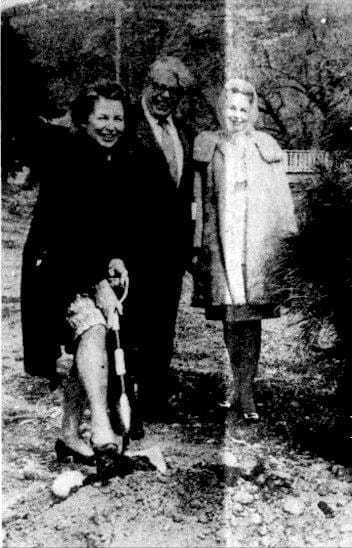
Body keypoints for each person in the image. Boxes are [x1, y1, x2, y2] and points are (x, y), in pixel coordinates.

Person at [28, 80, 142, 473]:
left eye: (118, 118)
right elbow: (68, 232)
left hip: (84, 265)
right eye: (103, 117)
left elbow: (103, 227)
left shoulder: (110, 161)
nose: (112, 125)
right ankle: (102, 431)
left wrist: (114, 258)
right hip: (55, 268)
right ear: (85, 120)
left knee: (88, 343)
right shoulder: (69, 157)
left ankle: (69, 433)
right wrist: (98, 284)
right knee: (93, 327)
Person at [193, 78, 297, 423]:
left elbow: (281, 202)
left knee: (250, 319)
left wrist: (286, 242)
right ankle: (237, 386)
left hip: (254, 244)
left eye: (242, 109)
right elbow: (201, 201)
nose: (236, 115)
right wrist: (198, 245)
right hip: (223, 240)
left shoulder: (265, 147)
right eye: (230, 108)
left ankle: (247, 390)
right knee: (229, 315)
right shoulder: (209, 146)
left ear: (252, 111)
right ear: (221, 109)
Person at [124, 56, 197, 435]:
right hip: (132, 248)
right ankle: (125, 405)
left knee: (162, 324)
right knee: (129, 326)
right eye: (159, 89)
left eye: (174, 92)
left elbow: (185, 195)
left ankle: (154, 397)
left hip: (170, 251)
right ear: (146, 85)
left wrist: (189, 248)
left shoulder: (182, 131)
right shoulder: (126, 126)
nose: (165, 97)